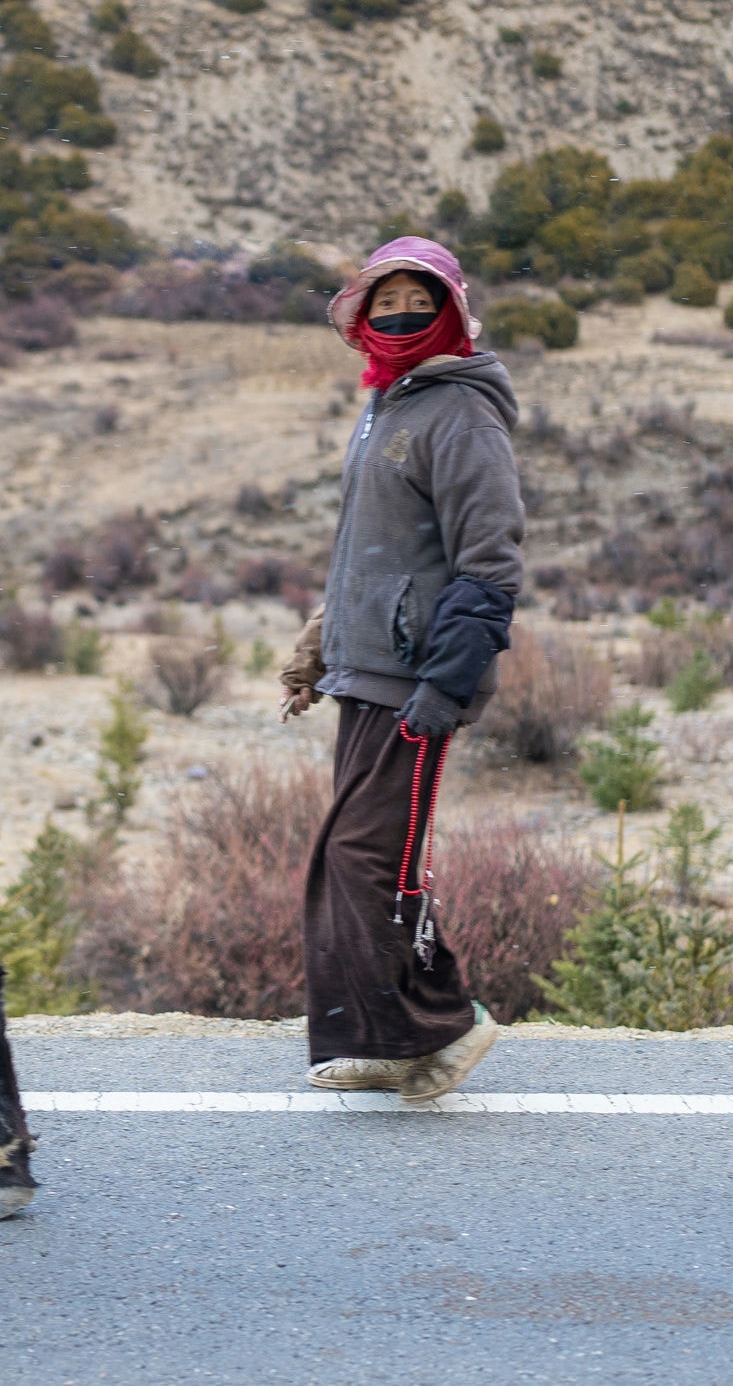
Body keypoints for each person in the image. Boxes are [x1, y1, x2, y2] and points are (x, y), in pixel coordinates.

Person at [277, 237, 522, 1103]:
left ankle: (443, 1026)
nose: (402, 312)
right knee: (351, 859)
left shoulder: (461, 413)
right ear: (363, 315)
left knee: (369, 857)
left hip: (418, 679)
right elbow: (369, 553)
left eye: (421, 298)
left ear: (452, 309)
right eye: (386, 300)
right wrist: (317, 653)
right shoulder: (388, 405)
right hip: (368, 670)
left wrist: (444, 686)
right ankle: (386, 1042)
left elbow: (490, 565)